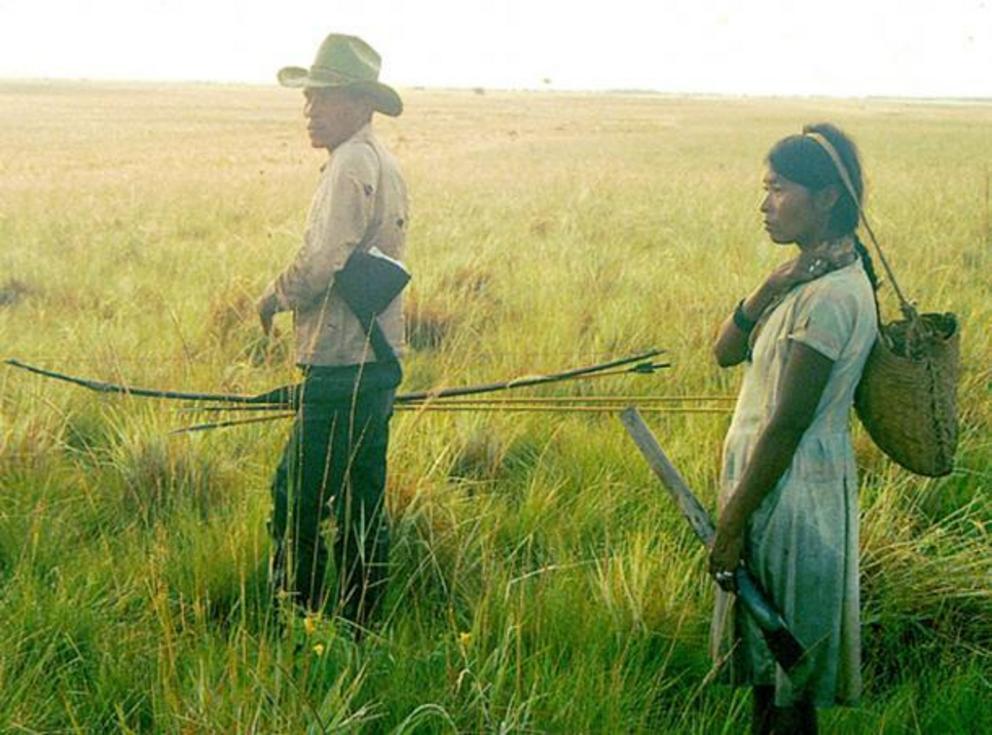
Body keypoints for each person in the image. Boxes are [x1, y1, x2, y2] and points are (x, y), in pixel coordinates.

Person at [709, 123, 880, 733]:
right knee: (767, 677)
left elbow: (785, 426)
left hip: (794, 500)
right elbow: (724, 352)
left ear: (827, 197)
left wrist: (729, 524)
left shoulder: (833, 297)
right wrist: (769, 285)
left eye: (779, 189)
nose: (765, 204)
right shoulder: (801, 281)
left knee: (789, 691)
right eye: (765, 188)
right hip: (770, 493)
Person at [256, 33, 409, 634]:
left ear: (359, 104)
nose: (310, 112)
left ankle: (302, 621)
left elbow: (322, 261)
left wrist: (273, 297)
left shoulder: (349, 165)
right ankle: (361, 619)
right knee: (360, 497)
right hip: (375, 360)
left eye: (323, 100)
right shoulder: (380, 160)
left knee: (295, 495)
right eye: (309, 99)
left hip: (343, 361)